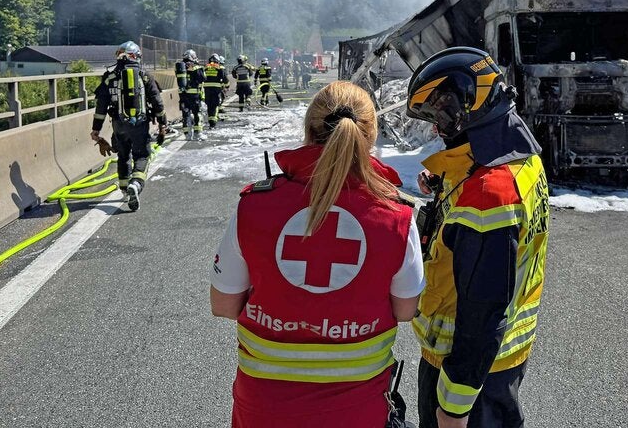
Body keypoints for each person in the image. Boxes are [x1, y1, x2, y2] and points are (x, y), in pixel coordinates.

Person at [210, 81, 425, 428]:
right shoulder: (396, 217)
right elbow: (405, 310)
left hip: (264, 411)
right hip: (359, 412)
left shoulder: (255, 206)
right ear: (369, 137)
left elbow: (223, 305)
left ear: (309, 132)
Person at [405, 47, 549, 428]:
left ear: (466, 102)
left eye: (440, 114)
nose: (437, 127)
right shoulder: (516, 154)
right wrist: (442, 186)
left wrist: (453, 408)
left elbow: (482, 315)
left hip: (465, 372)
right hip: (500, 363)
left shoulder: (488, 195)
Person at [90, 41, 167, 212]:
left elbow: (101, 107)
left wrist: (96, 129)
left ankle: (125, 188)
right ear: (137, 56)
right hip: (140, 124)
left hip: (119, 124)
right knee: (142, 156)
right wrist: (163, 124)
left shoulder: (110, 77)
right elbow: (157, 103)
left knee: (123, 155)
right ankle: (136, 184)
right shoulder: (145, 76)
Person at [175, 49, 205, 140]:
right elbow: (202, 79)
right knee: (197, 114)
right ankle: (197, 134)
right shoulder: (197, 67)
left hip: (183, 96)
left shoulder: (180, 67)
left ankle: (187, 134)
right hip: (194, 96)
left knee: (185, 114)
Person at [203, 54, 229, 129]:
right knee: (215, 105)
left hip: (207, 89)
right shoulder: (219, 67)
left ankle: (211, 121)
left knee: (209, 105)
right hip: (216, 90)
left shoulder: (206, 67)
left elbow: (201, 77)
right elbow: (225, 78)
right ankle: (213, 123)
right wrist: (227, 86)